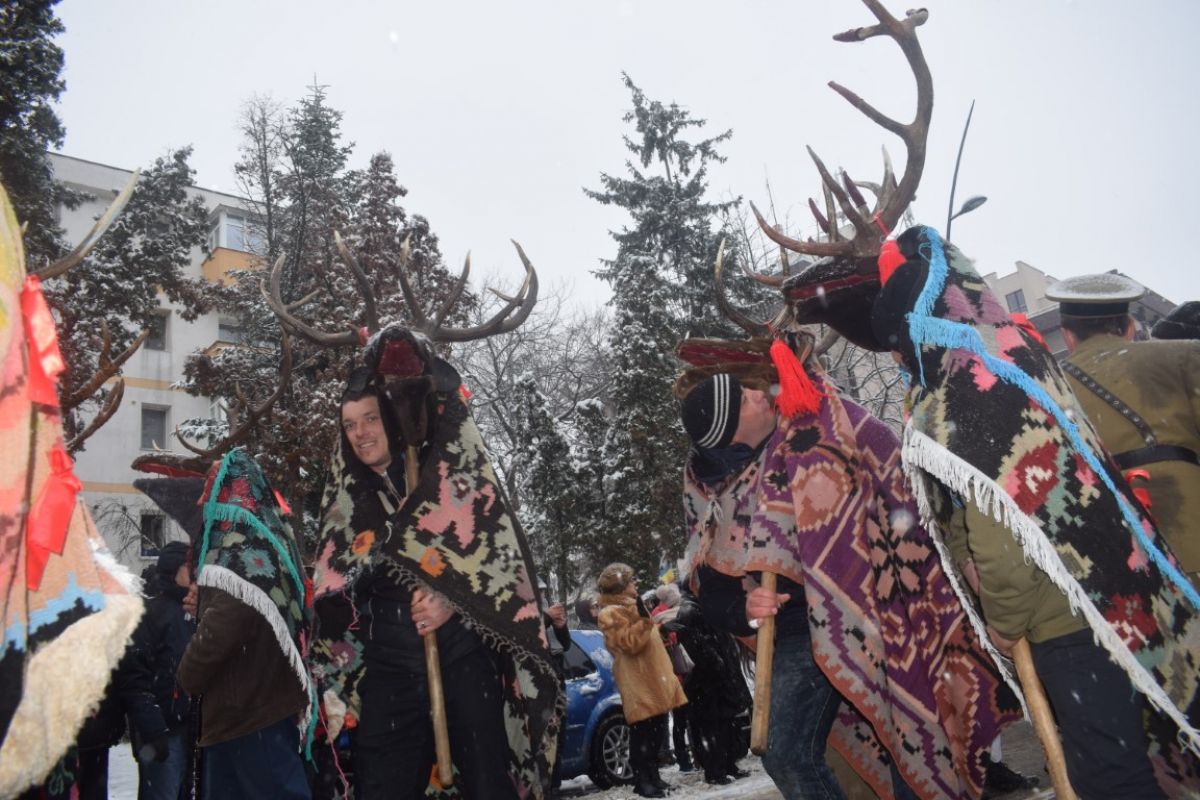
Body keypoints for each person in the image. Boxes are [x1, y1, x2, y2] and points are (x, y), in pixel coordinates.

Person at [865, 226, 1200, 797]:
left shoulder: (964, 392)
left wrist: (1004, 618)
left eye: (897, 346)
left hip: (1064, 616)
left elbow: (1000, 535)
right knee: (1139, 751)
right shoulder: (1020, 358)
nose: (899, 360)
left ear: (917, 331)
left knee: (1109, 774)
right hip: (1123, 585)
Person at [677, 341, 1022, 800]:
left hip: (878, 607)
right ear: (731, 433)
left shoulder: (816, 425)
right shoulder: (708, 495)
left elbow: (882, 459)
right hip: (798, 633)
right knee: (784, 754)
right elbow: (712, 591)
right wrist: (745, 609)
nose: (759, 393)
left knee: (908, 734)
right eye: (743, 399)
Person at [309, 346, 560, 800]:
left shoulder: (448, 482)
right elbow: (334, 587)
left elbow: (500, 566)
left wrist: (451, 596)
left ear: (391, 419)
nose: (360, 434)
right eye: (349, 425)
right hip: (390, 672)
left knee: (488, 784)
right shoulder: (349, 501)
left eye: (369, 419)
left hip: (463, 662)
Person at [1046, 273, 1200, 587]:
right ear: (1129, 326)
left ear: (1067, 336)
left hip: (1113, 553)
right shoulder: (1185, 355)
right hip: (1191, 527)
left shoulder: (1049, 387)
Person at [176, 449, 313, 800]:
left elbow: (221, 629)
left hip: (246, 719)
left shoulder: (238, 555)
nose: (202, 501)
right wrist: (205, 605)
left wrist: (187, 675)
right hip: (265, 712)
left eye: (210, 490)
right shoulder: (270, 545)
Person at [594, 563, 686, 799]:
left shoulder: (634, 606)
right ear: (621, 587)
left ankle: (653, 776)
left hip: (653, 677)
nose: (635, 584)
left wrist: (659, 629)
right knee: (643, 732)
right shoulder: (609, 613)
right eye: (631, 581)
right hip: (638, 680)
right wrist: (645, 622)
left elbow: (646, 639)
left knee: (656, 730)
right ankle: (642, 780)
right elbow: (627, 643)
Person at [119, 541, 196, 800]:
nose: (194, 572)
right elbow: (134, 676)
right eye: (188, 566)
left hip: (189, 727)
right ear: (174, 569)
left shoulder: (193, 610)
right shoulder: (150, 613)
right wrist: (152, 727)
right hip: (163, 729)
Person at [672, 583, 750, 786]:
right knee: (712, 727)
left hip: (718, 679)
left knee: (726, 724)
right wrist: (717, 663)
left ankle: (728, 765)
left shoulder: (703, 606)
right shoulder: (690, 611)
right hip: (706, 682)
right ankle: (716, 771)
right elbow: (698, 646)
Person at [650, 584, 697, 776]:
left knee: (681, 718)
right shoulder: (661, 615)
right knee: (680, 718)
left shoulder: (661, 613)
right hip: (673, 672)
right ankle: (684, 758)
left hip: (676, 669)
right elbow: (663, 639)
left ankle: (686, 757)